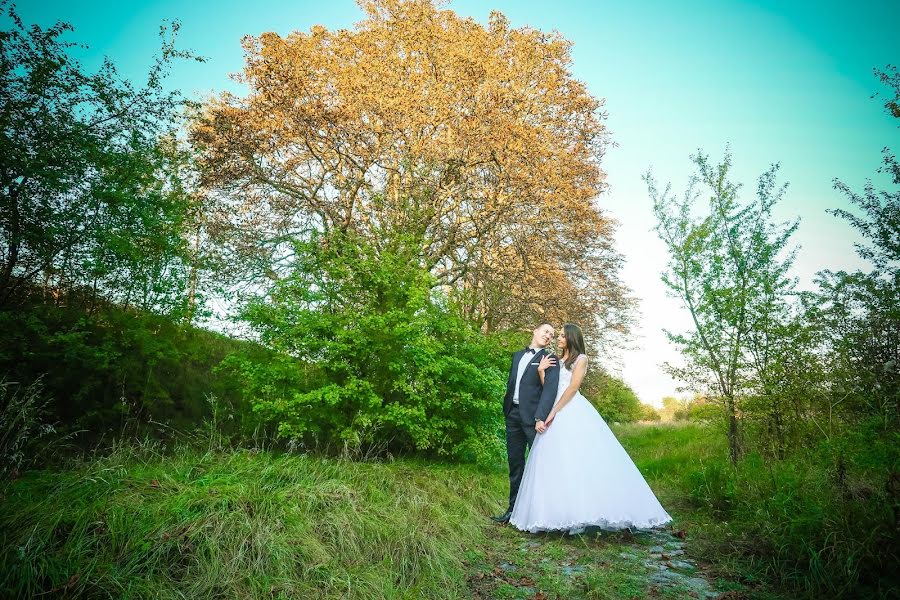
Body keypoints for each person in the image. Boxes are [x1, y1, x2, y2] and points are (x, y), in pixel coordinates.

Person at [509, 323, 672, 533]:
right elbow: (549, 386)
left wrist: (552, 413)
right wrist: (541, 371)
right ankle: (558, 512)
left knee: (580, 459)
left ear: (571, 338)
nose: (557, 339)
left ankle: (588, 510)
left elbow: (572, 388)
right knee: (554, 462)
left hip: (569, 409)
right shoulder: (557, 360)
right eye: (556, 335)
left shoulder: (581, 359)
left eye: (561, 336)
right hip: (554, 406)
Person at [491, 323, 560, 524]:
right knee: (515, 465)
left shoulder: (550, 359)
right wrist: (507, 410)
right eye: (545, 331)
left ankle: (545, 515)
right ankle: (513, 512)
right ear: (535, 331)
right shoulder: (517, 356)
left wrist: (540, 416)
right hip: (512, 415)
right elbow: (512, 384)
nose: (548, 336)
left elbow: (550, 390)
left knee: (540, 466)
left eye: (552, 335)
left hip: (533, 420)